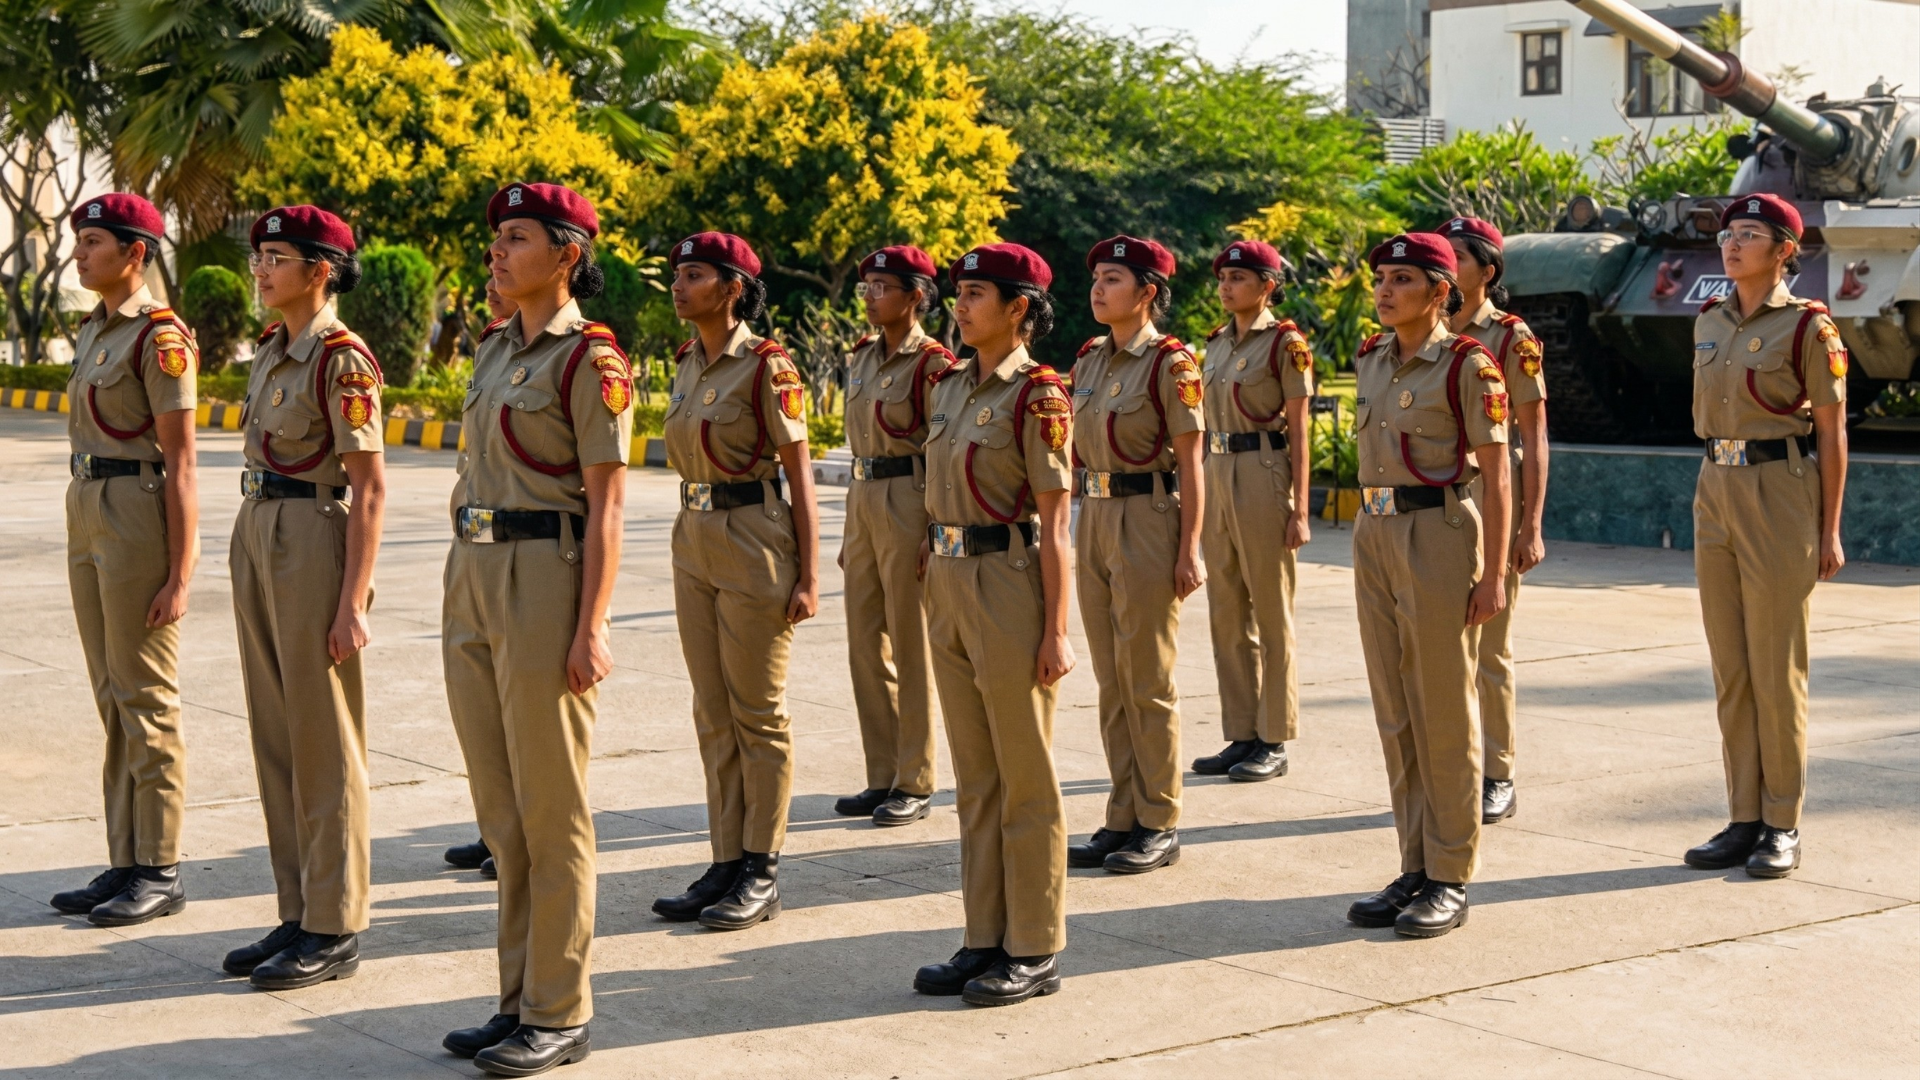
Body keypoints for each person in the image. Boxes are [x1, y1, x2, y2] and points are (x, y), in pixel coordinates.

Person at [438, 182, 630, 1075]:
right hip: (473, 576)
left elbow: (609, 506)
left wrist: (591, 626)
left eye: (517, 238)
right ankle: (514, 997)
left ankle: (559, 1008)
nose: (498, 251)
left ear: (566, 254)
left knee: (552, 811)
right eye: (497, 238)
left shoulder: (587, 359)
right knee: (502, 813)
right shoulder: (494, 349)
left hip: (544, 578)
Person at [222, 205, 388, 989]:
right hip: (258, 529)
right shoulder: (272, 352)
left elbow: (371, 490)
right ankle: (297, 909)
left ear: (320, 269)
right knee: (277, 736)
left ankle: (335, 922)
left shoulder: (341, 360)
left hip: (313, 537)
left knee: (324, 742)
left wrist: (353, 600)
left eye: (277, 257)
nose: (261, 269)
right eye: (259, 255)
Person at [911, 243, 1075, 1005]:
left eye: (977, 293)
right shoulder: (948, 387)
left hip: (1008, 583)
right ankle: (985, 935)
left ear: (1018, 309)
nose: (960, 304)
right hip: (946, 580)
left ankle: (1034, 945)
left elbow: (1056, 522)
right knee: (976, 778)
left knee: (1025, 775)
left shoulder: (1036, 395)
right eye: (959, 292)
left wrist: (1056, 629)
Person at [650, 232, 819, 932]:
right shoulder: (689, 361)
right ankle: (725, 861)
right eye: (677, 274)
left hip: (754, 540)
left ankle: (762, 867)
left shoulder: (766, 367)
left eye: (694, 276)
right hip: (693, 538)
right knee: (712, 710)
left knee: (758, 713)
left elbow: (800, 474)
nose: (678, 286)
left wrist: (809, 574)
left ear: (733, 288)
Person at [1344, 233, 1511, 939]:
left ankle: (1450, 871)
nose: (1385, 290)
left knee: (1444, 709)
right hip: (1374, 532)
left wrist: (1495, 572)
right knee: (1396, 708)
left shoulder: (1470, 367)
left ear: (1440, 293)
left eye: (1403, 279)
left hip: (1438, 534)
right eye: (1382, 277)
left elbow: (1497, 477)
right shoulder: (1373, 359)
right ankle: (1413, 863)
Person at [1682, 193, 1847, 880]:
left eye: (1751, 234)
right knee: (1732, 668)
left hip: (1779, 490)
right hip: (1714, 489)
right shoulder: (1709, 322)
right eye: (1728, 233)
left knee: (1777, 669)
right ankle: (1743, 816)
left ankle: (1782, 822)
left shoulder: (1810, 328)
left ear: (1785, 250)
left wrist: (1828, 528)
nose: (1733, 243)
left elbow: (1834, 434)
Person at [50, 194, 200, 928]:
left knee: (146, 693)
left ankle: (162, 866)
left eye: (94, 243)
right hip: (87, 507)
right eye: (78, 241)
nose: (80, 254)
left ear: (134, 254)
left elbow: (182, 460)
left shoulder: (159, 338)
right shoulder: (95, 332)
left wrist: (180, 572)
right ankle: (127, 857)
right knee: (111, 691)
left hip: (137, 511)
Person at [1065, 235, 1204, 876]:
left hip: (1148, 517)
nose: (1098, 289)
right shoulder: (1089, 360)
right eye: (1096, 278)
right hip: (1094, 516)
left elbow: (1193, 465)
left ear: (1147, 293)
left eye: (1114, 278)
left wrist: (1190, 548)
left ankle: (1160, 818)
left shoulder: (1170, 364)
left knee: (1147, 678)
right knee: (1111, 679)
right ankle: (1122, 814)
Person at [833, 245, 955, 827]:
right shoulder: (861, 358)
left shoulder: (931, 363)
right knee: (863, 644)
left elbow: (942, 447)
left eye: (884, 287)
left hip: (910, 499)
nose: (872, 297)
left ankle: (916, 777)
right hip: (862, 501)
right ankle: (880, 772)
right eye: (869, 287)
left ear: (916, 296)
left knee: (909, 644)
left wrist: (935, 526)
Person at [1192, 239, 1313, 784]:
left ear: (1267, 285)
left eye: (1238, 279)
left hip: (1264, 473)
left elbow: (1301, 429)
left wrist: (1300, 508)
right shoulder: (1214, 345)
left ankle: (1275, 736)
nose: (1225, 287)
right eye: (1222, 279)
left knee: (1271, 611)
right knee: (1227, 610)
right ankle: (1242, 732)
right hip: (1218, 474)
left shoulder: (1285, 344)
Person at [1441, 216, 1549, 825]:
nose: (1446, 266)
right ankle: (1450, 768)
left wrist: (1529, 524)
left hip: (1490, 499)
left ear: (1487, 271)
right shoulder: (1419, 332)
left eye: (1459, 257)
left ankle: (1496, 772)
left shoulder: (1510, 337)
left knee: (1490, 646)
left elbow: (1532, 437)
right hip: (1431, 502)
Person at [445, 257, 519, 883]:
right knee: (483, 714)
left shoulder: (581, 358)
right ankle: (496, 828)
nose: (491, 283)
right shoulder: (492, 350)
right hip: (475, 550)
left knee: (526, 718)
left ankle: (515, 836)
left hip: (531, 560)